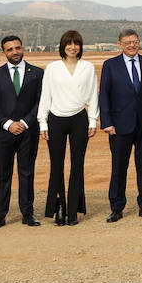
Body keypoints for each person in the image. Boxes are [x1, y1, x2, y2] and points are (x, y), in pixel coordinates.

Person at [99, 28, 142, 222]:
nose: (132, 45)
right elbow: (104, 95)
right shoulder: (110, 65)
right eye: (127, 42)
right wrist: (107, 122)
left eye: (135, 41)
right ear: (119, 44)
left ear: (139, 42)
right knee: (119, 168)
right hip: (119, 126)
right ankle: (117, 208)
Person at [37, 30, 98, 226]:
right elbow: (45, 95)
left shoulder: (87, 67)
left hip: (79, 118)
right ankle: (59, 208)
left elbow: (93, 95)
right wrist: (42, 122)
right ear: (62, 46)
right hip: (56, 119)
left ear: (80, 47)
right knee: (57, 166)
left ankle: (73, 210)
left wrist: (93, 120)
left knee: (77, 165)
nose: (72, 47)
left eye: (76, 43)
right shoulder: (53, 68)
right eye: (68, 43)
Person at [0, 35, 43, 228]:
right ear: (3, 52)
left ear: (22, 48)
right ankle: (0, 215)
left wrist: (25, 123)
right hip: (2, 133)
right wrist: (8, 123)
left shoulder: (37, 73)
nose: (14, 52)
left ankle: (28, 214)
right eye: (10, 49)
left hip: (28, 132)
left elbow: (41, 102)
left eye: (17, 48)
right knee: (3, 174)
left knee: (27, 173)